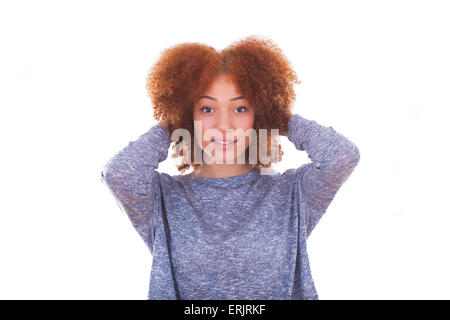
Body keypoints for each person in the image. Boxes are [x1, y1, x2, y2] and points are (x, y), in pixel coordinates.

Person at [100, 35, 360, 300]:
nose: (224, 124)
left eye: (240, 107)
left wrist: (281, 116)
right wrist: (171, 121)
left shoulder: (292, 193)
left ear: (258, 114)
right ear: (188, 115)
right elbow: (120, 174)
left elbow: (342, 156)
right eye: (207, 108)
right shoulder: (163, 199)